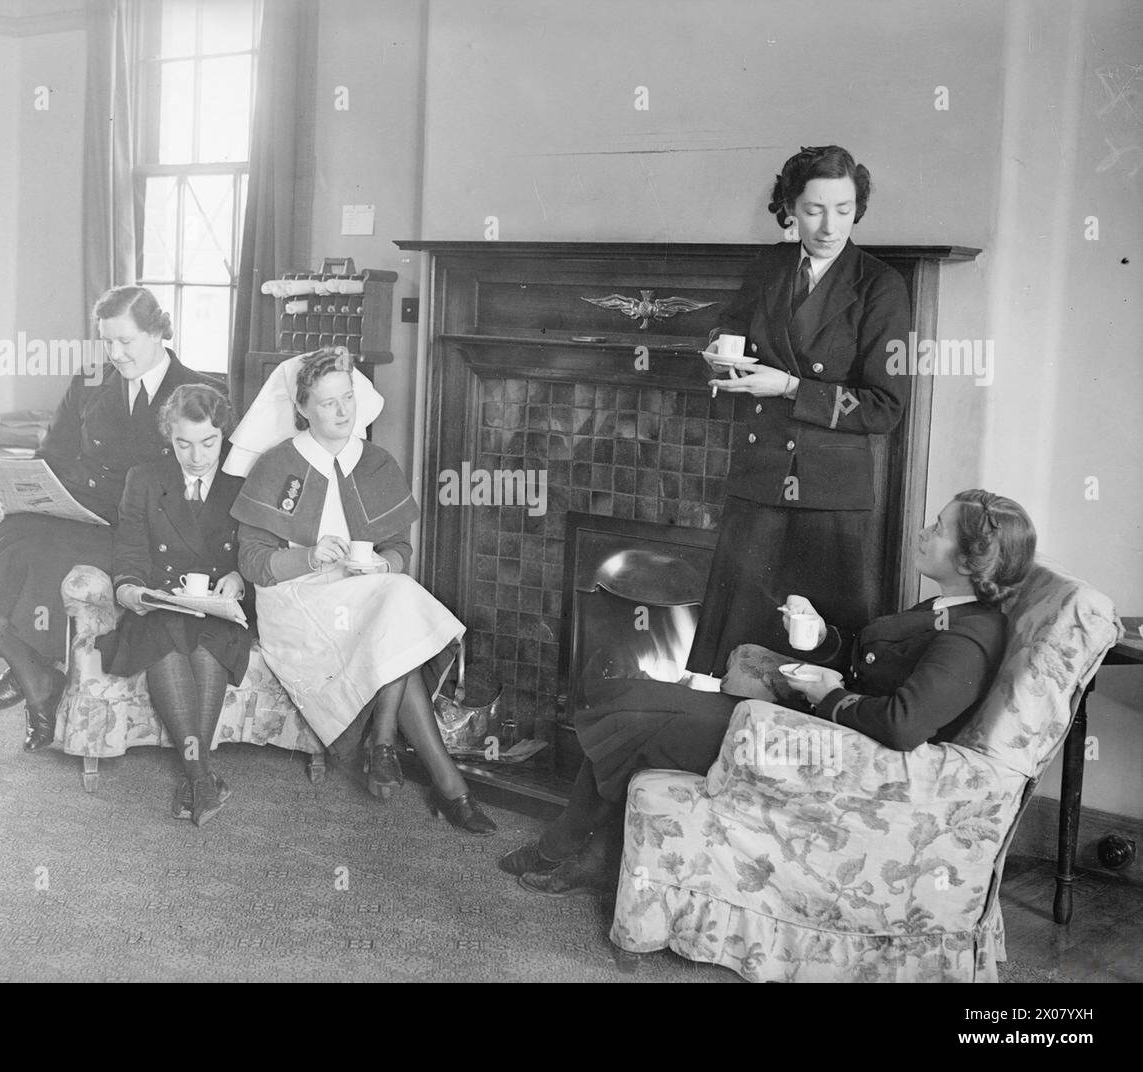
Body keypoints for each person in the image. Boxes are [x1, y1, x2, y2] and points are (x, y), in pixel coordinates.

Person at [501, 489, 1037, 896]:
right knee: (636, 695)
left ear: (968, 561)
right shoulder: (947, 608)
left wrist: (829, 694)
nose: (924, 532)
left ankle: (571, 847)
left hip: (825, 755)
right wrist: (822, 638)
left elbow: (902, 723)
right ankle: (587, 847)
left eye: (937, 529)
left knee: (640, 717)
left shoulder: (970, 637)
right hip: (816, 728)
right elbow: (876, 665)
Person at [0, 287, 221, 751]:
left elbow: (208, 483)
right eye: (107, 343)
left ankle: (34, 677)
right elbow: (52, 456)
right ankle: (36, 672)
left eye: (126, 341)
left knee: (31, 557)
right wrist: (13, 497)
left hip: (139, 532)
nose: (115, 354)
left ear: (159, 330)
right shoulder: (90, 383)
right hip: (74, 510)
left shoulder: (196, 391)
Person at [230, 347, 497, 835]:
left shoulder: (375, 463)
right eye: (328, 402)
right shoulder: (276, 465)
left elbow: (400, 548)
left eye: (348, 397)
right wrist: (308, 557)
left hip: (363, 593)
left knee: (392, 596)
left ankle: (403, 757)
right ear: (303, 408)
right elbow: (252, 563)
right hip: (297, 600)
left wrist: (383, 562)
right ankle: (418, 765)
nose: (342, 411)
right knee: (395, 609)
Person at [686, 145, 912, 677]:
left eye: (844, 208)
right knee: (737, 659)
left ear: (858, 207)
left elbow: (884, 408)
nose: (831, 225)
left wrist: (789, 386)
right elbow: (730, 327)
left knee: (814, 662)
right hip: (758, 483)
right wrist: (722, 353)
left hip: (828, 503)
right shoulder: (769, 266)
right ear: (790, 208)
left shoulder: (881, 285)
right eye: (814, 210)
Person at [96, 383, 250, 827]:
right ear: (169, 437)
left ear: (224, 435)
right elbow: (128, 554)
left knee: (209, 644)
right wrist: (131, 592)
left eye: (208, 443)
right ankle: (202, 778)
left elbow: (257, 552)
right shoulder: (144, 479)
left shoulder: (242, 482)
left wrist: (240, 578)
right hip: (161, 605)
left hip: (219, 609)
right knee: (165, 637)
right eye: (183, 443)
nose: (197, 456)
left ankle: (195, 779)